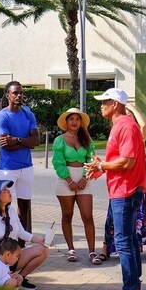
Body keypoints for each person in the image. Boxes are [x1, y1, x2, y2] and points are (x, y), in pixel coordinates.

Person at [85, 88, 146, 290]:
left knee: (123, 244)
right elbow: (119, 160)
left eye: (106, 101)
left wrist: (102, 166)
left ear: (117, 104)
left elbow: (128, 161)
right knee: (128, 241)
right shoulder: (120, 125)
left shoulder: (126, 126)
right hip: (123, 190)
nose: (102, 105)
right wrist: (102, 165)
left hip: (126, 191)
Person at [100, 102, 146, 260]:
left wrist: (132, 109)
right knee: (119, 228)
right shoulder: (122, 128)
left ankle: (131, 284)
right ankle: (107, 247)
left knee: (127, 238)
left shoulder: (132, 129)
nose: (101, 106)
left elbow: (127, 161)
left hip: (129, 188)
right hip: (120, 188)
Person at [0, 177, 49, 290]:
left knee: (43, 250)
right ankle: (4, 282)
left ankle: (21, 278)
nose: (8, 191)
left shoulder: (11, 211)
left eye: (7, 188)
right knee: (6, 285)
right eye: (3, 190)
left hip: (11, 260)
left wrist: (39, 240)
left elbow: (21, 232)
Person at [52, 108, 99, 265]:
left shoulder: (86, 139)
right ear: (66, 122)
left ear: (81, 122)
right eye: (71, 118)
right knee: (67, 215)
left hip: (84, 178)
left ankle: (92, 251)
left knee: (87, 215)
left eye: (77, 119)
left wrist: (86, 178)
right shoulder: (60, 140)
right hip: (66, 179)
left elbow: (91, 159)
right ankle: (71, 249)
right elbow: (58, 163)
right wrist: (70, 181)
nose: (74, 121)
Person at [0, 81, 39, 233]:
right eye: (15, 93)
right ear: (8, 95)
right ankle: (4, 236)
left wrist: (17, 139)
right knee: (3, 204)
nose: (19, 96)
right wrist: (27, 142)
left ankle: (21, 240)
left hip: (26, 167)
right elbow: (6, 145)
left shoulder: (28, 114)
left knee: (24, 205)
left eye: (21, 93)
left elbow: (36, 141)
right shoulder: (2, 116)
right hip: (8, 168)